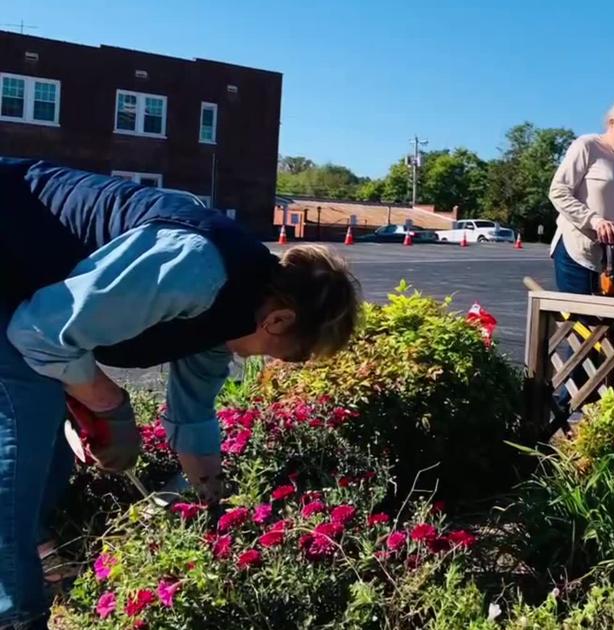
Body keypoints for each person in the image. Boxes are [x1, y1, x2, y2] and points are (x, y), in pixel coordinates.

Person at [0, 157, 361, 629]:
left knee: (45, 449)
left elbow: (192, 413)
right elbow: (39, 334)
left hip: (31, 292)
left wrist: (212, 494)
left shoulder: (231, 318)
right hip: (10, 250)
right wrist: (111, 406)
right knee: (20, 442)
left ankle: (27, 552)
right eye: (289, 355)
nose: (271, 363)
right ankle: (16, 613)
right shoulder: (196, 269)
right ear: (278, 321)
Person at [545, 90, 614, 428]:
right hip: (577, 251)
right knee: (584, 337)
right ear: (611, 123)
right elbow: (558, 191)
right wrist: (593, 220)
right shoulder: (587, 146)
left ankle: (598, 418)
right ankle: (557, 416)